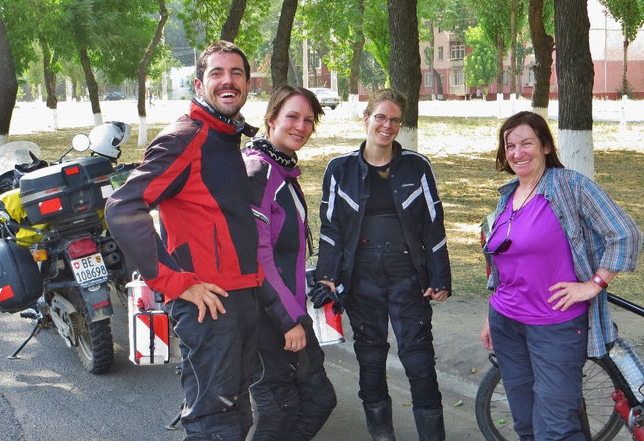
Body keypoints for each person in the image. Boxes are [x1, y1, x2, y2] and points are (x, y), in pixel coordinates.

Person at [105, 40, 262, 440]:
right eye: (217, 74)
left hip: (240, 297)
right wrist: (178, 283)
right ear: (199, 84)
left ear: (247, 83)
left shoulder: (226, 136)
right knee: (214, 422)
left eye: (237, 73)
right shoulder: (186, 136)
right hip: (208, 304)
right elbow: (123, 208)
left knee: (237, 415)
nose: (228, 81)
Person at [480, 111, 642, 440]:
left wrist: (594, 284)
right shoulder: (507, 196)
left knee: (557, 426)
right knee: (525, 423)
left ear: (546, 147)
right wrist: (490, 314)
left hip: (555, 326)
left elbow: (624, 233)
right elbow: (504, 263)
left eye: (526, 143)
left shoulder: (569, 186)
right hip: (507, 323)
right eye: (510, 146)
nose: (517, 152)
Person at [313, 88, 451, 441]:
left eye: (394, 120)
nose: (386, 126)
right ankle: (382, 436)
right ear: (366, 119)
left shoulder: (417, 166)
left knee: (419, 363)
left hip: (409, 275)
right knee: (370, 362)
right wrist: (327, 276)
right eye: (380, 117)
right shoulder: (339, 169)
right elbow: (330, 228)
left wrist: (440, 276)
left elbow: (434, 224)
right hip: (361, 279)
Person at [242, 85, 336, 439]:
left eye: (309, 120)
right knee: (278, 410)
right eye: (292, 117)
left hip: (290, 310)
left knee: (317, 399)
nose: (301, 126)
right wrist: (287, 321)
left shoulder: (281, 170)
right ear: (271, 121)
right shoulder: (258, 172)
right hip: (268, 319)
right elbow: (258, 257)